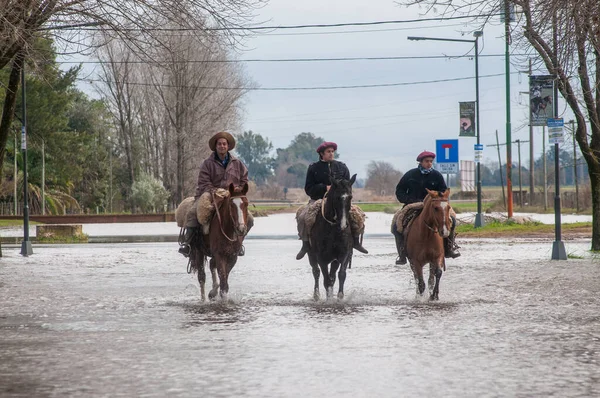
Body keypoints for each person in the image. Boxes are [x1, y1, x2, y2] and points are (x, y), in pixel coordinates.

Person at [178, 131, 251, 257]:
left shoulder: (237, 163)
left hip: (232, 195)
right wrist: (215, 191)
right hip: (209, 193)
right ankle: (188, 244)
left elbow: (244, 180)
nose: (222, 146)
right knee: (193, 213)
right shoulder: (207, 163)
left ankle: (238, 243)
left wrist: (237, 190)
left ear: (228, 146)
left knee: (250, 219)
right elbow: (203, 182)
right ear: (215, 146)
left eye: (224, 144)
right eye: (219, 144)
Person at [295, 141, 368, 260]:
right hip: (318, 200)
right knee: (303, 217)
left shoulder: (342, 167)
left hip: (340, 201)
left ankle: (355, 241)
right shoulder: (313, 168)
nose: (331, 154)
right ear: (321, 154)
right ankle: (305, 244)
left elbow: (347, 186)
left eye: (332, 151)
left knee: (357, 215)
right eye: (328, 152)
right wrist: (325, 188)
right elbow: (308, 189)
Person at [393, 150, 460, 265]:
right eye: (427, 161)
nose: (429, 163)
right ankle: (402, 254)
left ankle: (449, 248)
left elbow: (443, 191)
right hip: (413, 205)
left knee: (452, 220)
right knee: (396, 223)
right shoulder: (410, 175)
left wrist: (439, 200)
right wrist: (409, 200)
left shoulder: (437, 175)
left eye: (431, 161)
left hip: (435, 206)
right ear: (421, 162)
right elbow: (399, 191)